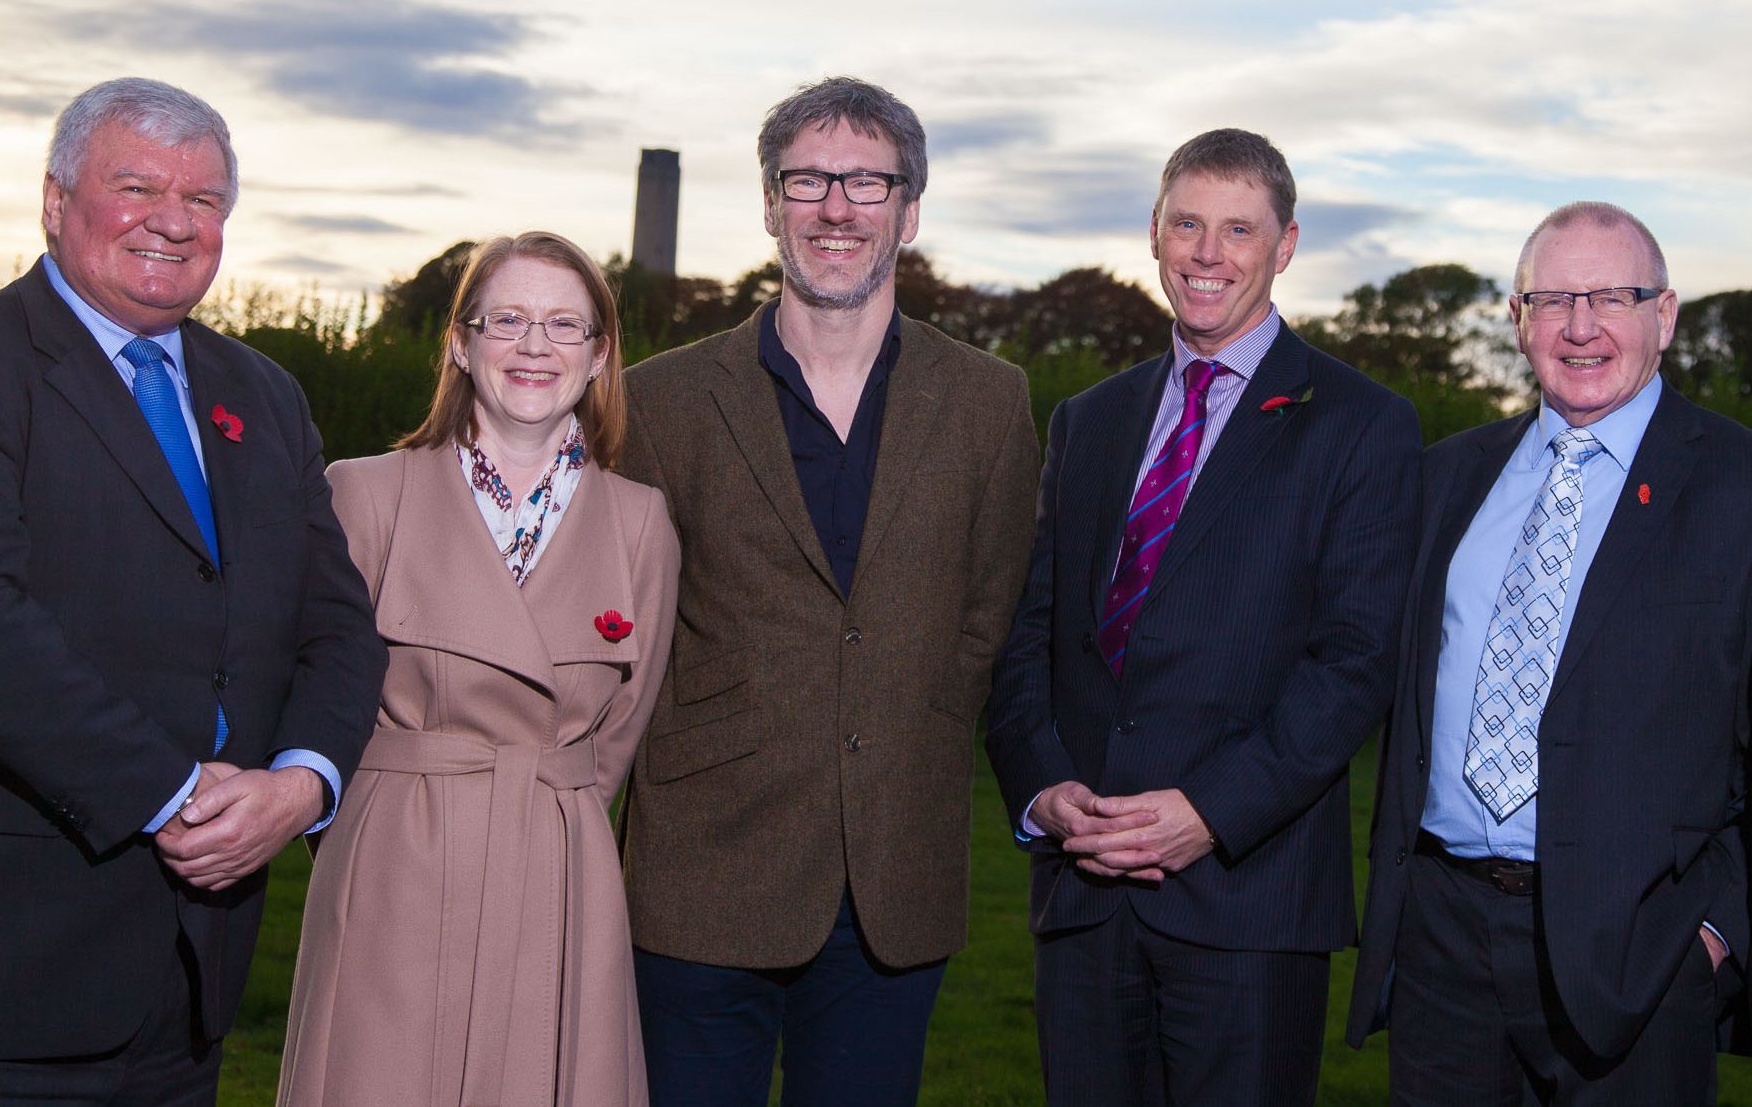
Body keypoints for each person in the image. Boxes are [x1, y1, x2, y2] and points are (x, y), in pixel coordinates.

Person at [0, 77, 385, 1104]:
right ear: (55, 199)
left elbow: (337, 626)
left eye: (206, 199)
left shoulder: (263, 395)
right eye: (136, 186)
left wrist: (301, 782)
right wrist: (175, 794)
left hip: (185, 984)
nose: (174, 222)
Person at [615, 77, 1040, 1107]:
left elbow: (991, 613)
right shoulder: (661, 399)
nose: (837, 207)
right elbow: (623, 616)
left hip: (893, 872)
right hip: (700, 870)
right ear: (770, 203)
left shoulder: (989, 400)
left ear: (909, 207)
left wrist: (912, 721)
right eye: (808, 179)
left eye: (866, 181)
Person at [984, 127, 1422, 1106]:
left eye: (1238, 228)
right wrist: (1042, 783)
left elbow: (1356, 659)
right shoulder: (1090, 419)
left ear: (1287, 243)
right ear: (1154, 231)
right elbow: (1030, 626)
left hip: (1248, 900)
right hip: (1085, 886)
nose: (1208, 252)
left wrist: (1213, 813)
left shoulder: (1360, 423)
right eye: (1187, 223)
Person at [1345, 202, 1752, 1103]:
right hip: (1442, 937)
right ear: (1519, 321)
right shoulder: (1445, 477)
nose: (1582, 326)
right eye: (1553, 299)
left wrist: (1720, 928)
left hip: (1640, 949)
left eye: (1613, 297)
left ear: (1664, 315)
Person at [278, 231, 678, 1106]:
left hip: (559, 867)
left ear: (600, 353)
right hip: (396, 862)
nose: (536, 346)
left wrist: (549, 811)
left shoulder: (642, 521)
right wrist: (375, 824)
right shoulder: (366, 492)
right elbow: (310, 689)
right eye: (509, 320)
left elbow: (621, 728)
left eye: (565, 324)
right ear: (460, 342)